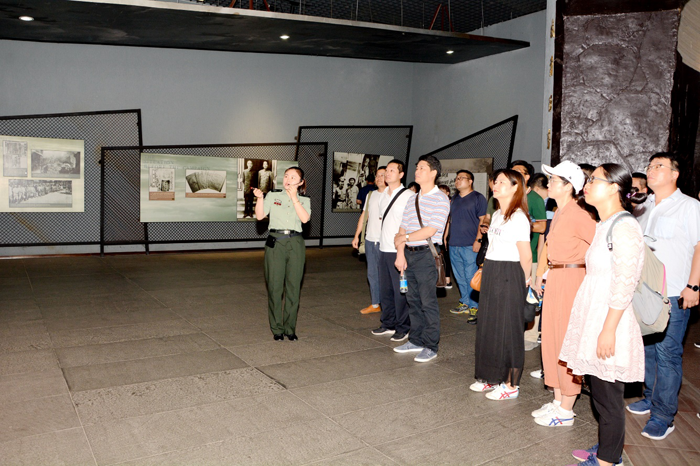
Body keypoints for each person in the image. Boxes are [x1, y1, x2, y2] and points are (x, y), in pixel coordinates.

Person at [561, 164, 646, 466]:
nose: (586, 185)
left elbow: (625, 283)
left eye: (593, 179)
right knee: (599, 394)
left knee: (609, 399)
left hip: (610, 320)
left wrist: (608, 329)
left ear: (613, 187)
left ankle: (608, 461)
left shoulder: (624, 227)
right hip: (596, 315)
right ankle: (607, 449)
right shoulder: (605, 223)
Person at [626, 152, 700, 441]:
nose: (651, 170)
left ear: (674, 174)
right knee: (648, 348)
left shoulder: (689, 206)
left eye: (659, 166)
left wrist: (693, 286)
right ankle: (650, 397)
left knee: (668, 353)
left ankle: (663, 416)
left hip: (674, 292)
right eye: (650, 166)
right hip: (645, 292)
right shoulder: (644, 206)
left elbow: (699, 246)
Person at [530, 161, 595, 427]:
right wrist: (542, 274)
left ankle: (567, 409)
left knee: (567, 341)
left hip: (572, 277)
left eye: (554, 180)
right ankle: (558, 400)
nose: (549, 183)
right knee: (552, 339)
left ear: (569, 186)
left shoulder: (579, 213)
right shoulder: (559, 211)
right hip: (556, 276)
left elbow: (601, 246)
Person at [470, 169, 532, 400]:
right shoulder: (496, 214)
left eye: (502, 182)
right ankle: (491, 377)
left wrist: (525, 282)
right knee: (488, 326)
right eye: (495, 181)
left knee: (509, 330)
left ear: (516, 187)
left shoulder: (519, 217)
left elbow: (526, 255)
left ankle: (511, 384)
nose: (495, 185)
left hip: (510, 272)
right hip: (492, 270)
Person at [393, 155, 451, 362]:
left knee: (428, 302)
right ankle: (415, 340)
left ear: (433, 173)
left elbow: (431, 230)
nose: (417, 171)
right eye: (417, 168)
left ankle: (431, 345)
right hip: (409, 254)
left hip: (427, 255)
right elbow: (402, 228)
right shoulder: (413, 198)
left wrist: (405, 238)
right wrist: (400, 253)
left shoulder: (441, 199)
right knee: (412, 300)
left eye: (422, 168)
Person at [254, 167, 311, 341]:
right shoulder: (273, 196)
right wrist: (260, 198)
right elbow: (260, 216)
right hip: (276, 242)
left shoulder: (304, 200)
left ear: (300, 182)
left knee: (294, 288)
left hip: (295, 242)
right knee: (274, 286)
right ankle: (277, 328)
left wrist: (294, 198)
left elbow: (305, 219)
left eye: (293, 177)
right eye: (286, 176)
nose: (288, 179)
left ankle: (290, 328)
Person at [371, 160, 413, 341]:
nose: (387, 173)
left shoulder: (408, 196)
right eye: (386, 170)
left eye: (392, 170)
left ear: (401, 175)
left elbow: (410, 224)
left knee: (400, 291)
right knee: (385, 289)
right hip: (383, 248)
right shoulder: (382, 196)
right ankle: (388, 323)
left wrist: (402, 250)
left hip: (399, 250)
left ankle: (403, 327)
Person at [510, 161, 546, 350]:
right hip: (509, 256)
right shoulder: (508, 196)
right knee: (513, 297)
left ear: (527, 177)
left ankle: (531, 337)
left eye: (518, 172)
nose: (513, 174)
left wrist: (521, 225)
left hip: (529, 256)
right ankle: (514, 333)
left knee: (531, 297)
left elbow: (542, 226)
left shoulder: (534, 198)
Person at [447, 170, 487, 323]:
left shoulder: (478, 198)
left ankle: (474, 306)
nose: (457, 181)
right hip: (454, 244)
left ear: (470, 181)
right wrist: (445, 238)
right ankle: (464, 302)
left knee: (471, 276)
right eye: (456, 178)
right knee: (459, 276)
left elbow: (483, 220)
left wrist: (478, 240)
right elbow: (450, 220)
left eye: (461, 178)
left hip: (470, 244)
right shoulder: (454, 199)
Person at [352, 167, 387, 314]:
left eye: (383, 175)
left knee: (386, 275)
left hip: (386, 242)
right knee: (372, 274)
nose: (379, 178)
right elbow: (364, 215)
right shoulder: (371, 195)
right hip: (370, 240)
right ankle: (375, 303)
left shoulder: (392, 195)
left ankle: (388, 304)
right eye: (377, 175)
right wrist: (357, 235)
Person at [438, 184, 454, 289]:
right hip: (438, 233)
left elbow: (448, 221)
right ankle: (441, 278)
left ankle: (447, 279)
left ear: (448, 193)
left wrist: (444, 237)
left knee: (446, 257)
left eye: (443, 191)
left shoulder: (450, 203)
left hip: (448, 234)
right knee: (439, 257)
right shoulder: (437, 202)